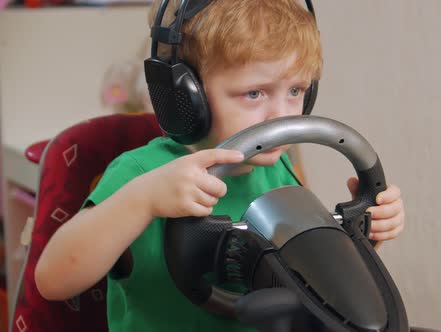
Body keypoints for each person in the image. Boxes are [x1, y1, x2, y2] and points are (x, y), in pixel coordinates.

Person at [34, 0, 406, 330]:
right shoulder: (141, 174)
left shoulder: (279, 172)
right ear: (186, 94)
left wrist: (363, 235)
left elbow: (307, 286)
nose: (280, 116)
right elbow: (54, 280)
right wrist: (143, 201)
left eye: (295, 91)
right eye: (255, 93)